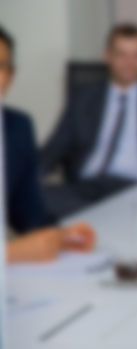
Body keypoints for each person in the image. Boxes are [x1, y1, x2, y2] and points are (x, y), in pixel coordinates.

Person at [40, 23, 137, 219]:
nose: (130, 62)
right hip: (84, 190)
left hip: (134, 190)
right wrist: (25, 180)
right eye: (122, 54)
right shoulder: (84, 98)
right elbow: (54, 149)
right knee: (38, 198)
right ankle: (100, 224)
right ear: (107, 56)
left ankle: (95, 225)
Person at [0, 26, 94, 262]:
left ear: (10, 75)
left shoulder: (17, 128)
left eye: (0, 65)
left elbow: (28, 215)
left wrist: (60, 236)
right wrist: (9, 253)